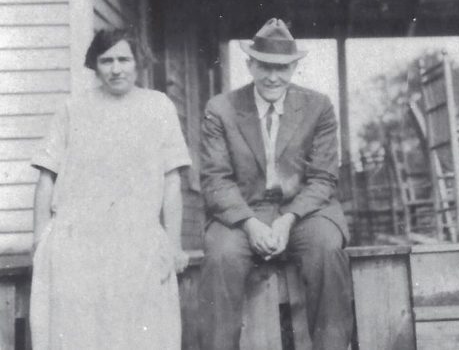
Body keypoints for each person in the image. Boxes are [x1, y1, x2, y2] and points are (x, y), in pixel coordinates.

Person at [30, 29, 191, 349]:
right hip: (79, 243)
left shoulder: (158, 107)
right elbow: (46, 178)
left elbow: (172, 181)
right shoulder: (72, 109)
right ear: (95, 64)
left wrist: (173, 245)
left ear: (138, 62)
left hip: (138, 241)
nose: (116, 69)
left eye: (124, 59)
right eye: (107, 61)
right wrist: (39, 243)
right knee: (80, 333)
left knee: (140, 333)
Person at [198, 18, 353, 350]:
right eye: (264, 66)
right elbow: (215, 179)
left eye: (282, 68)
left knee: (326, 247)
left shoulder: (318, 107)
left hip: (303, 214)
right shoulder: (220, 109)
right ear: (249, 64)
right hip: (243, 213)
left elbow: (323, 178)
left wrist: (288, 219)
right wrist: (250, 224)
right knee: (221, 256)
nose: (272, 76)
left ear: (295, 67)